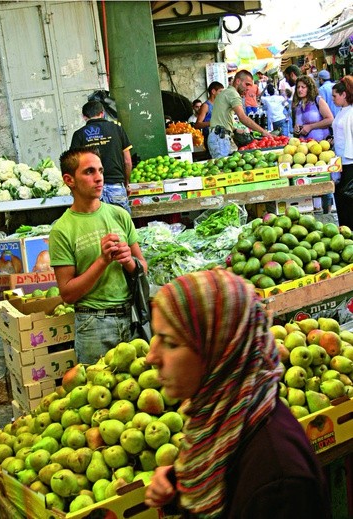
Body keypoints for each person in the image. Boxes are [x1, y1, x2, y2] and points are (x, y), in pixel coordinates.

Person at [144, 269, 331, 519]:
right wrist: (179, 484)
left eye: (171, 342)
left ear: (221, 349)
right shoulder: (222, 420)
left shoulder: (278, 483)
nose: (151, 357)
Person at [49, 147, 147, 365]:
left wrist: (129, 261)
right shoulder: (62, 230)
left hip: (131, 318)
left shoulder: (119, 215)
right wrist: (103, 261)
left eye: (100, 171)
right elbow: (67, 294)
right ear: (69, 180)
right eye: (89, 172)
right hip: (93, 325)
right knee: (96, 389)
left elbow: (143, 268)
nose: (99, 178)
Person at [70, 100, 133, 213]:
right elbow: (127, 161)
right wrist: (126, 183)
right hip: (116, 186)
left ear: (84, 117)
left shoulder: (79, 135)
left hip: (90, 189)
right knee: (121, 224)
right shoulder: (117, 129)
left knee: (96, 227)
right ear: (102, 113)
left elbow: (73, 165)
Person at [292, 75, 334, 214]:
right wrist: (297, 129)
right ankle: (309, 208)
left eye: (303, 87)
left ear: (309, 88)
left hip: (320, 147)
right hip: (304, 149)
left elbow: (329, 119)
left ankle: (327, 210)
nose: (300, 90)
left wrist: (311, 127)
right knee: (308, 178)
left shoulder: (318, 101)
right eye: (298, 87)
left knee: (323, 177)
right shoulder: (297, 106)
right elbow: (297, 125)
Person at [207, 69, 270, 159]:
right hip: (219, 138)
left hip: (217, 137)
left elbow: (220, 118)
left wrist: (234, 129)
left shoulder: (224, 93)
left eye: (250, 85)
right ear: (238, 81)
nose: (248, 88)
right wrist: (263, 131)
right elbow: (242, 117)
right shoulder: (233, 94)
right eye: (247, 84)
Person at [331, 76, 353, 228]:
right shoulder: (342, 111)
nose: (332, 98)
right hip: (341, 161)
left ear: (344, 94)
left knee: (346, 197)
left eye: (334, 96)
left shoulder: (351, 112)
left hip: (350, 161)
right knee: (341, 196)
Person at [194, 81, 224, 149]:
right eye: (220, 92)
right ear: (213, 91)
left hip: (220, 138)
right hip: (210, 139)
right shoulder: (206, 106)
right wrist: (212, 123)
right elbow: (197, 124)